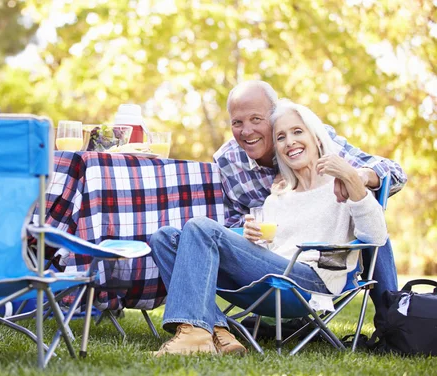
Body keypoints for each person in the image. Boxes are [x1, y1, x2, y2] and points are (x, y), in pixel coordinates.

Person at [149, 99, 388, 355]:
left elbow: (376, 237)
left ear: (317, 138)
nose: (290, 142)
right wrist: (254, 239)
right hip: (272, 278)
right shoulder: (277, 196)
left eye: (298, 132)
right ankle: (217, 332)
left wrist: (353, 178)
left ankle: (196, 334)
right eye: (281, 137)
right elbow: (272, 249)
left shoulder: (342, 186)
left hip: (311, 283)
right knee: (164, 237)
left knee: (200, 227)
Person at [213, 80, 406, 334]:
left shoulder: (319, 141)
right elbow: (233, 222)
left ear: (272, 117)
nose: (246, 131)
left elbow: (393, 174)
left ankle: (391, 318)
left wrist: (357, 178)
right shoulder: (228, 162)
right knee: (189, 236)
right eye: (237, 122)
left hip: (318, 264)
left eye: (256, 119)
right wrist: (248, 230)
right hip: (272, 257)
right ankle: (219, 328)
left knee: (368, 214)